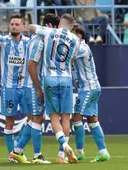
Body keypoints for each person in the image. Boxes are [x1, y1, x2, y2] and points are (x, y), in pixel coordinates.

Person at [27, 14, 80, 163]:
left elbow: (32, 28)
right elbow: (72, 60)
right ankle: (61, 155)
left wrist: (31, 26)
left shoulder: (49, 32)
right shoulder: (76, 40)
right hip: (66, 78)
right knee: (66, 118)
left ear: (60, 23)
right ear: (71, 26)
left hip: (49, 77)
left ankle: (63, 143)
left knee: (54, 117)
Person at [10, 13, 60, 164]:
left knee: (33, 118)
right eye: (56, 28)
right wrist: (38, 88)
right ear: (51, 26)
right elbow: (31, 65)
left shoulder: (37, 37)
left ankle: (17, 151)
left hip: (29, 84)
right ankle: (37, 155)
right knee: (37, 118)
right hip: (32, 85)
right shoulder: (39, 40)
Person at [0, 13, 31, 163]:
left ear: (23, 27)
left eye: (17, 24)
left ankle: (18, 148)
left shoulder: (29, 43)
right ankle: (12, 155)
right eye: (11, 24)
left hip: (25, 87)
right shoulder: (4, 41)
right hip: (8, 88)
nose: (13, 26)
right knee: (9, 121)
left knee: (32, 119)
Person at [70, 23, 110, 162]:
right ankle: (103, 151)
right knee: (92, 120)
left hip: (88, 88)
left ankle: (79, 152)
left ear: (79, 36)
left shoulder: (81, 47)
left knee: (76, 118)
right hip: (92, 87)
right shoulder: (80, 47)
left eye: (72, 33)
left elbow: (66, 58)